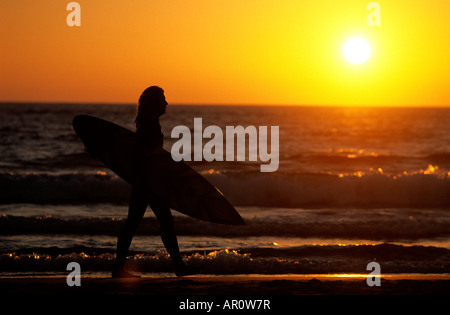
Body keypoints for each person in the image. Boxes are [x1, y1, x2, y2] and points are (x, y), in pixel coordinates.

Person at [112, 86, 197, 278]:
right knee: (162, 221)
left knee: (135, 223)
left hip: (145, 182)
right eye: (162, 99)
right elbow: (143, 157)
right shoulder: (149, 126)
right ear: (154, 103)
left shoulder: (148, 124)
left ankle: (119, 268)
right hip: (148, 183)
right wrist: (149, 183)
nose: (166, 103)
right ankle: (178, 266)